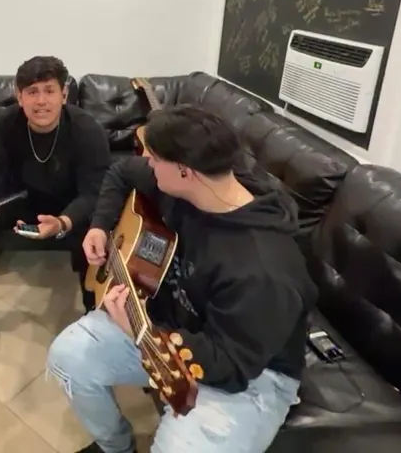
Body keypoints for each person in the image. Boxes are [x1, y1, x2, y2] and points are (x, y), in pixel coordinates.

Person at [47, 104, 316, 453]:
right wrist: (100, 225)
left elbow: (230, 365)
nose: (147, 163)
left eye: (154, 158)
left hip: (251, 374)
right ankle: (116, 447)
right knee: (68, 356)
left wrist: (141, 330)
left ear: (185, 171)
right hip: (171, 327)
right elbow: (120, 172)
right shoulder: (187, 186)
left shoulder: (262, 269)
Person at [0, 56, 111, 344]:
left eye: (49, 90)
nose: (41, 101)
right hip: (22, 197)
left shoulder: (86, 129)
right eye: (32, 92)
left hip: (70, 203)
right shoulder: (6, 124)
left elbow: (95, 191)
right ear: (19, 97)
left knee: (96, 228)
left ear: (64, 94)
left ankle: (93, 304)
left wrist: (63, 222)